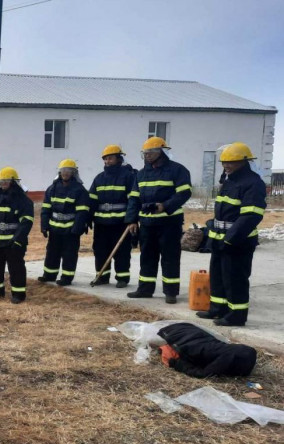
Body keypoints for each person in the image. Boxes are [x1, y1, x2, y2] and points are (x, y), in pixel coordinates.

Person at [195, 142, 266, 326]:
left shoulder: (253, 183)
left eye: (231, 162)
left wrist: (231, 239)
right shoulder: (229, 180)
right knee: (218, 276)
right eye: (224, 162)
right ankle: (217, 309)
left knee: (235, 278)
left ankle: (237, 315)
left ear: (243, 161)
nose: (226, 165)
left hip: (238, 241)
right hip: (220, 238)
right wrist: (212, 229)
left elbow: (251, 215)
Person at [126, 137, 192, 304]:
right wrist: (132, 220)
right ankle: (145, 289)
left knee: (170, 257)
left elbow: (184, 193)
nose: (147, 156)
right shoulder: (141, 174)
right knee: (147, 256)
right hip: (147, 223)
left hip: (169, 223)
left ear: (161, 152)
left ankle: (170, 293)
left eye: (151, 153)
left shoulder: (177, 170)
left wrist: (165, 206)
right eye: (145, 153)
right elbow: (134, 198)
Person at [0, 167, 34, 303]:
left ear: (13, 182)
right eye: (1, 181)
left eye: (6, 181)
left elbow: (26, 222)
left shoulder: (23, 200)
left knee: (16, 269)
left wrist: (18, 240)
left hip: (13, 243)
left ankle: (18, 294)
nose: (3, 184)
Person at [88, 145, 136, 288]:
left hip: (121, 223)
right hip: (101, 223)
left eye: (111, 158)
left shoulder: (128, 177)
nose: (108, 161)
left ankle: (122, 278)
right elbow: (91, 200)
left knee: (122, 251)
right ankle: (102, 276)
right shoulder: (99, 178)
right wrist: (88, 218)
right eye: (106, 159)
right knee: (100, 250)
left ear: (119, 159)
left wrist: (132, 219)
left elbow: (133, 200)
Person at [38, 159, 90, 286]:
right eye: (63, 170)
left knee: (69, 254)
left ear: (74, 173)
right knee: (52, 252)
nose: (65, 173)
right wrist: (44, 226)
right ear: (59, 172)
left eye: (68, 170)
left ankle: (67, 278)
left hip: (71, 230)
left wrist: (77, 229)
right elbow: (46, 209)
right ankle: (49, 275)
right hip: (55, 228)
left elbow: (82, 212)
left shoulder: (79, 190)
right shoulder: (52, 189)